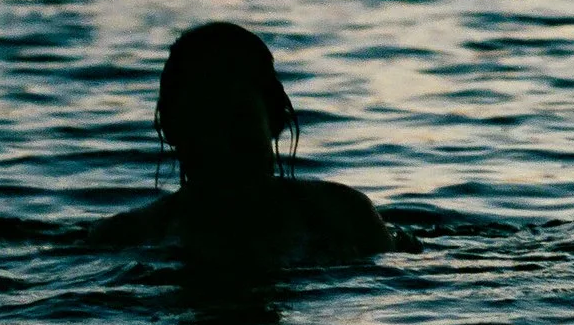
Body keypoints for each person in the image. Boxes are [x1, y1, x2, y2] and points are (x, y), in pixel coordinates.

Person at [89, 21, 390, 263]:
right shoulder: (124, 237)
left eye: (238, 120)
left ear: (276, 122)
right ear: (170, 127)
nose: (221, 143)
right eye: (204, 122)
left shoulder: (347, 215)